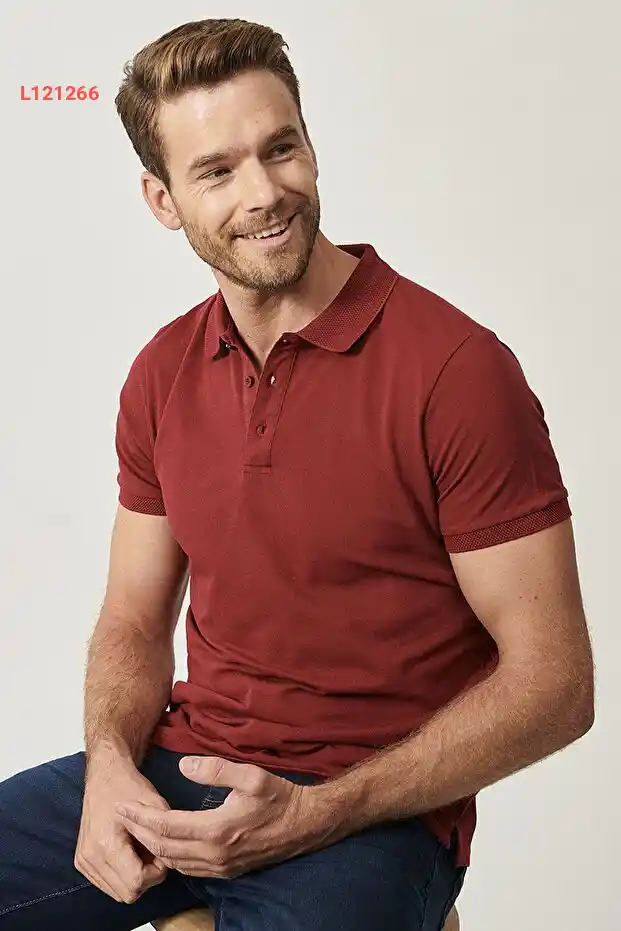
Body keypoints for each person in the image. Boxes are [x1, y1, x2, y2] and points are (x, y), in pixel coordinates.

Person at [0, 17, 594, 931]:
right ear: (162, 199)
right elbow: (132, 618)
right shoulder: (161, 372)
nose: (264, 192)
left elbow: (554, 683)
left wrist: (318, 812)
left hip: (370, 814)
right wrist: (110, 769)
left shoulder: (456, 371)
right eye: (216, 171)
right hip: (181, 773)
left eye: (280, 149)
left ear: (310, 146)